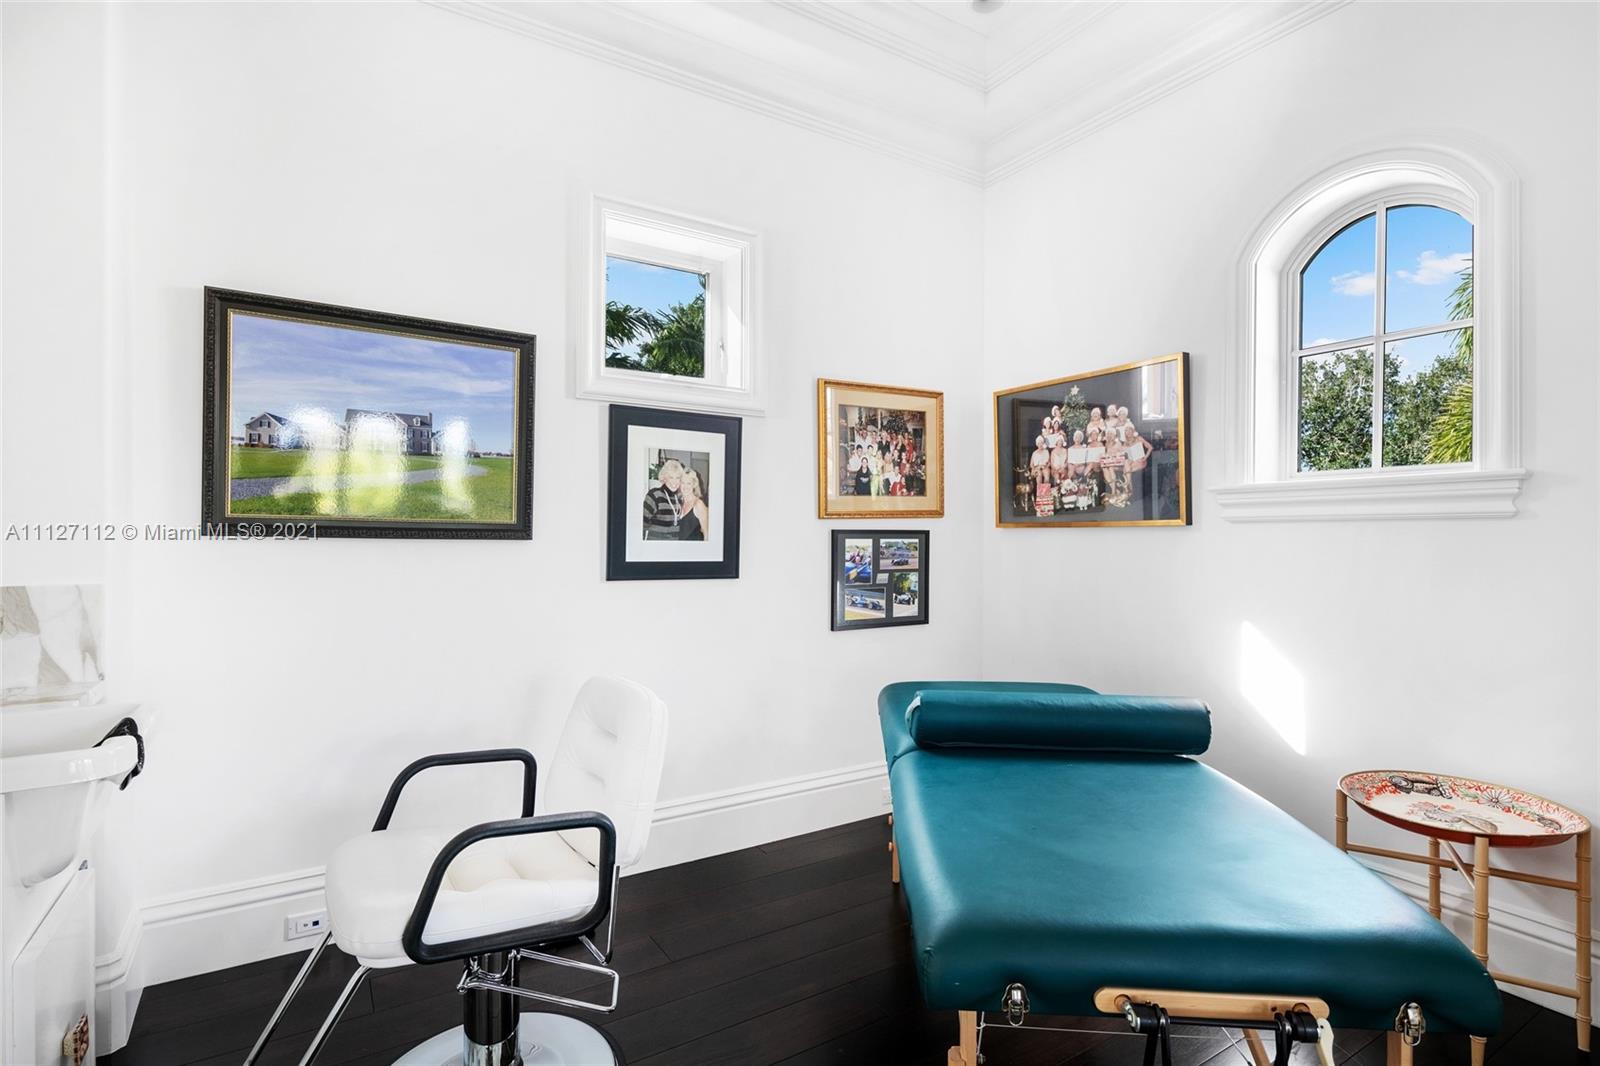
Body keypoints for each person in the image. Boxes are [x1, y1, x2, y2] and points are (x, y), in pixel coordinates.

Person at [643, 458, 684, 539]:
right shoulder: (654, 495)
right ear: (664, 478)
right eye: (671, 477)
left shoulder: (679, 498)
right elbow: (642, 523)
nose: (674, 482)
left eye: (677, 477)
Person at [677, 467, 709, 541]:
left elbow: (706, 534)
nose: (685, 486)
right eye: (683, 482)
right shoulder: (678, 503)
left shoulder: (698, 504)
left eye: (689, 483)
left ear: (694, 485)